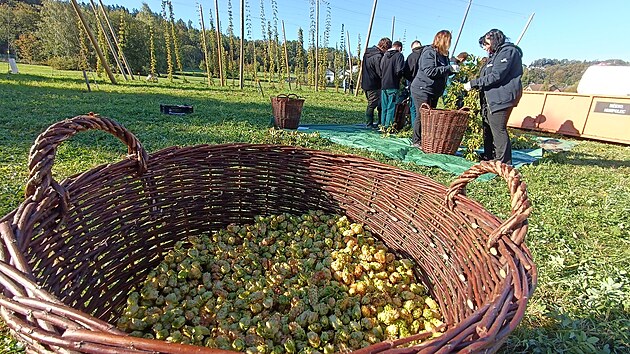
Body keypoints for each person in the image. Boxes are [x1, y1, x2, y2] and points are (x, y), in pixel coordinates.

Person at [464, 29, 523, 165]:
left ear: (495, 39)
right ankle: (488, 156)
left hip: (502, 96)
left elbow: (497, 75)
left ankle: (503, 162)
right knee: (488, 126)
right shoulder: (494, 55)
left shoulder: (508, 52)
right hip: (490, 97)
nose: (485, 47)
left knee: (498, 128)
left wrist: (473, 84)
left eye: (486, 43)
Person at [409, 30, 458, 146]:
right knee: (423, 115)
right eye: (449, 40)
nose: (450, 43)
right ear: (443, 40)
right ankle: (416, 141)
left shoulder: (444, 55)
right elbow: (429, 71)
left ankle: (427, 139)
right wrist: (448, 69)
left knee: (430, 117)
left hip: (433, 90)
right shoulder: (429, 52)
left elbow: (441, 72)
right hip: (422, 88)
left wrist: (451, 71)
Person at [361, 37, 392, 128]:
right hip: (375, 84)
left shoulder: (367, 53)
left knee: (373, 103)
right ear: (385, 48)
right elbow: (380, 72)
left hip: (366, 82)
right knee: (373, 104)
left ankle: (372, 122)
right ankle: (371, 123)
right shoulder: (378, 56)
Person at [379, 41, 405, 129]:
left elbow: (381, 68)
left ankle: (382, 125)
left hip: (384, 85)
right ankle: (388, 127)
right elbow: (399, 71)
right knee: (391, 107)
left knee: (384, 107)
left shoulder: (385, 56)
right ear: (400, 48)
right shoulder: (399, 56)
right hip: (393, 85)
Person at [403, 40, 424, 129]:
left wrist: (411, 79)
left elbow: (406, 71)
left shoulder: (411, 57)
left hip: (414, 85)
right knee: (424, 109)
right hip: (426, 86)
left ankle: (414, 128)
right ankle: (423, 130)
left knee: (413, 107)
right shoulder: (426, 55)